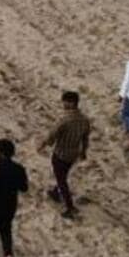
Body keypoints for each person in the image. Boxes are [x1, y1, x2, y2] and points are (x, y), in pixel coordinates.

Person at [38, 90, 91, 220]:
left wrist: (42, 145)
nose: (63, 104)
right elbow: (85, 137)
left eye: (65, 102)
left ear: (71, 103)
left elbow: (52, 135)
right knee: (63, 174)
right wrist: (83, 152)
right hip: (73, 154)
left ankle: (69, 207)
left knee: (62, 180)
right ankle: (55, 192)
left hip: (61, 154)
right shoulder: (84, 120)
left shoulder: (64, 120)